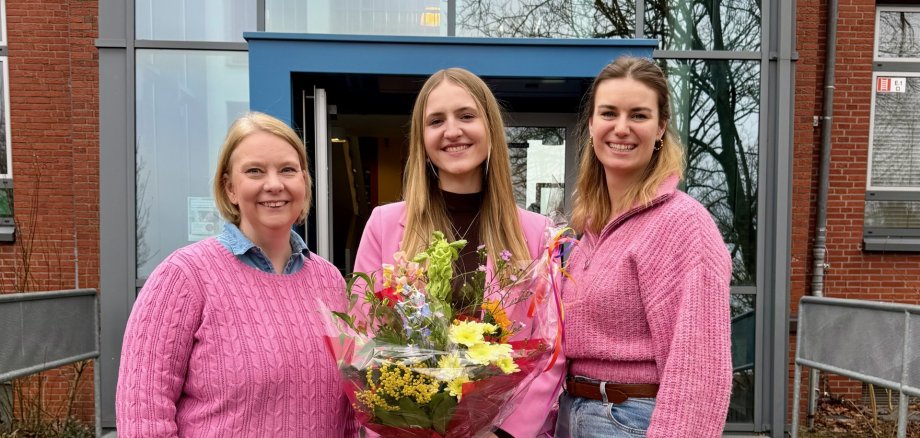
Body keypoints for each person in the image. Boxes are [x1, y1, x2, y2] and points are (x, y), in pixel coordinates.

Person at [116, 112, 357, 437]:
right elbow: (143, 415)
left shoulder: (329, 281)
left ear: (303, 181)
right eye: (255, 171)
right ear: (230, 188)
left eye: (287, 169)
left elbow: (347, 413)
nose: (274, 184)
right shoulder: (184, 277)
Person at [353, 67, 563, 437]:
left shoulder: (537, 234)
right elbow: (362, 341)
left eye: (466, 116)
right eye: (436, 121)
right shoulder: (383, 225)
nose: (452, 131)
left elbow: (552, 351)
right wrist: (403, 423)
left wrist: (503, 433)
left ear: (490, 128)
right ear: (422, 139)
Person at [557, 56, 733, 437]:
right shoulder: (590, 232)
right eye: (609, 113)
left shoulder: (682, 223)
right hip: (572, 413)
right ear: (592, 125)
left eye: (638, 115)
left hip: (629, 420)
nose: (621, 128)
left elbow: (699, 371)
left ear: (660, 128)